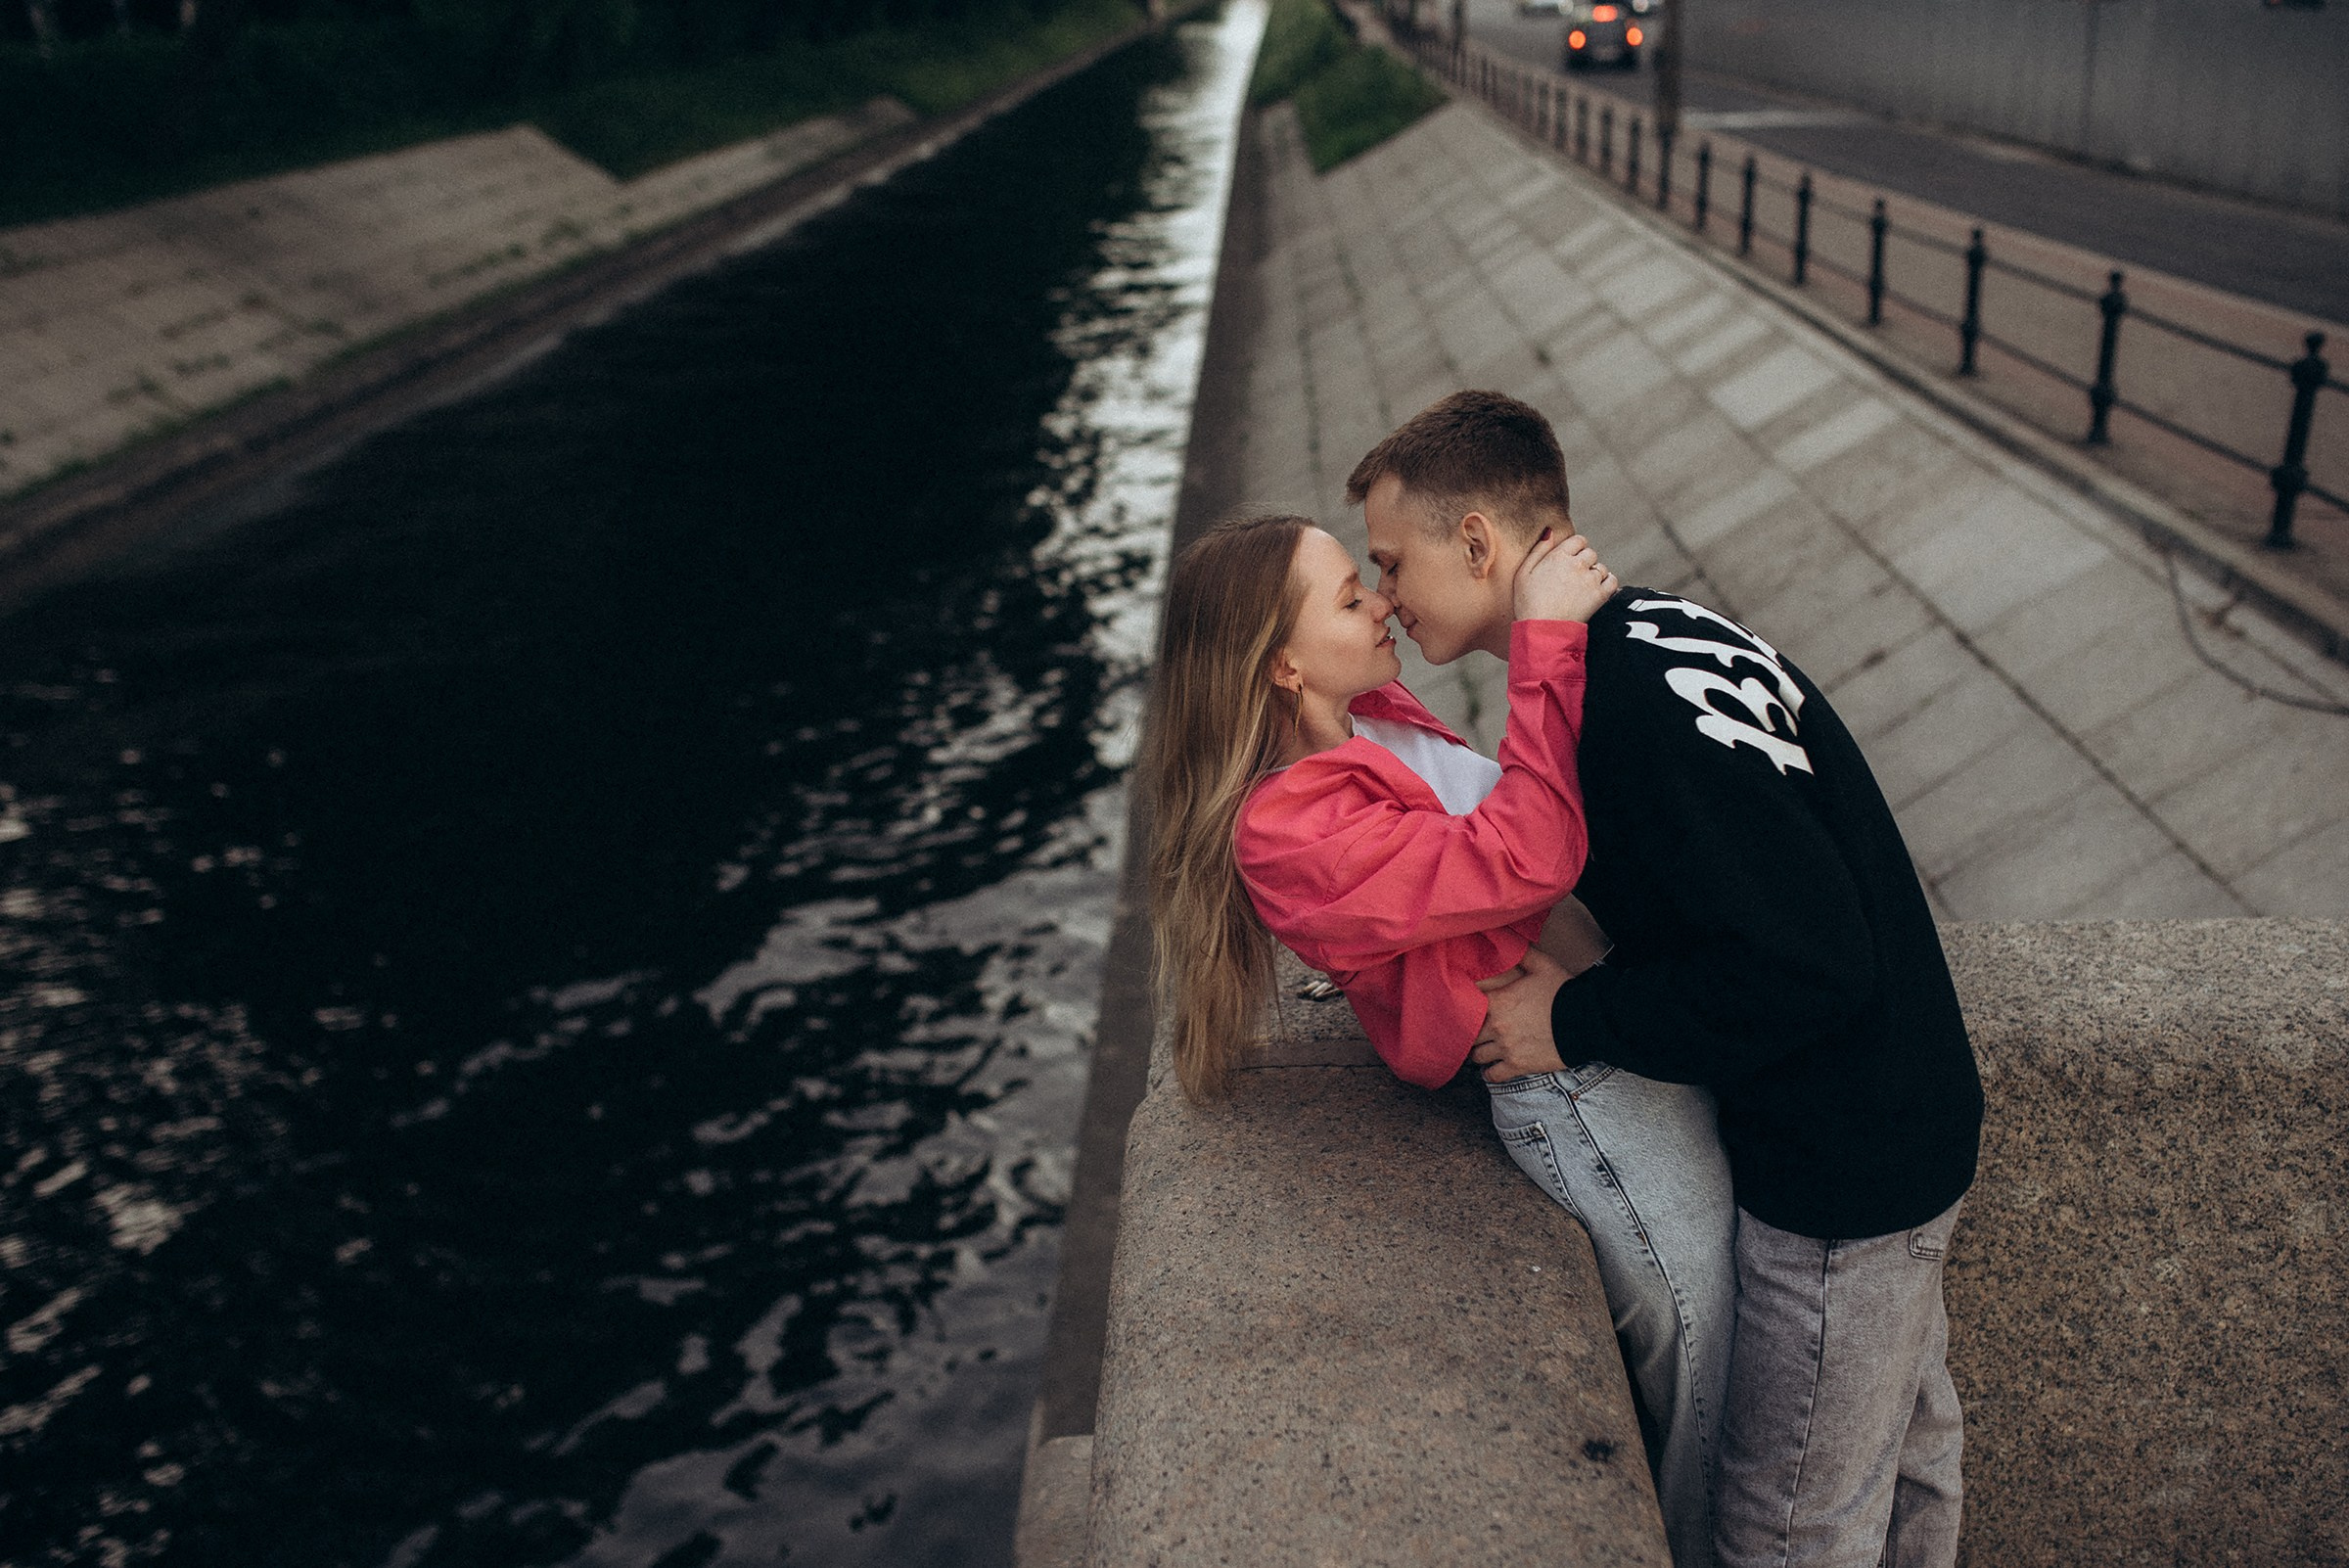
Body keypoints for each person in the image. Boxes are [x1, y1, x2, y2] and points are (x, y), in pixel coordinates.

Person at [1357, 390, 1985, 1568]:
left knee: (1787, 1528)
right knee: (1905, 1460)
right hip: (1902, 1115)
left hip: (1839, 1168)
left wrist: (1574, 1017)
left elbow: (1806, 965)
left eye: (1391, 562)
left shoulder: (1625, 712)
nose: (1384, 594)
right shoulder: (1658, 633)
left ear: (1478, 542)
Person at [1140, 509, 1735, 1568]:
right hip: (1575, 1088)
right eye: (1348, 597)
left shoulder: (1368, 713)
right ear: (1281, 664)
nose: (1380, 602)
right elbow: (1526, 851)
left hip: (1605, 1015)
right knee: (1703, 1345)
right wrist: (1545, 642)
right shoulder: (1289, 834)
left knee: (1731, 1324)